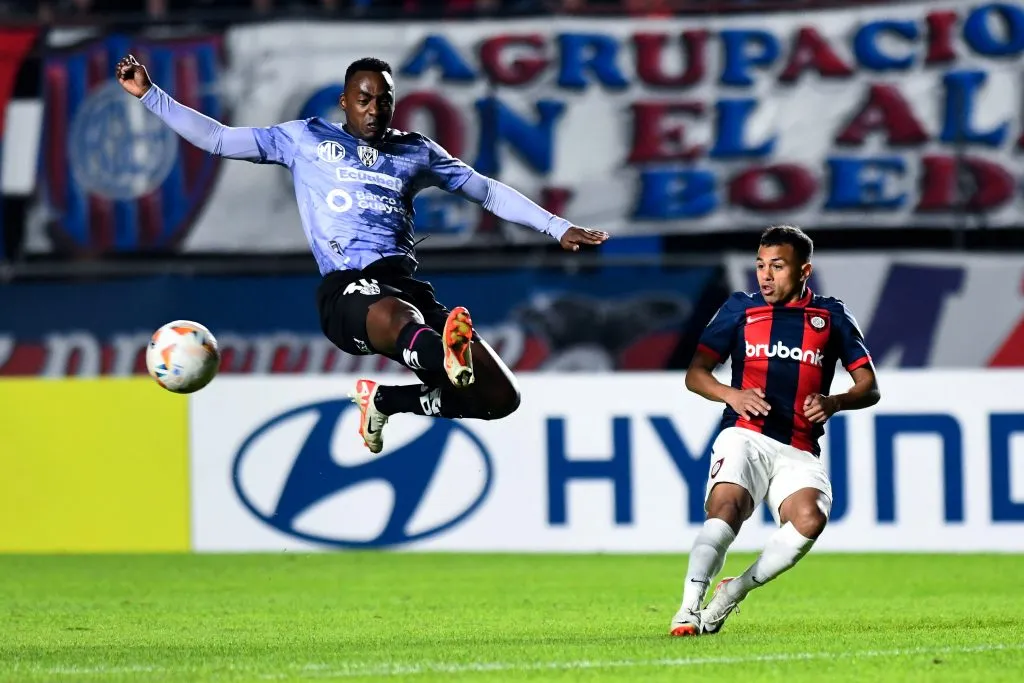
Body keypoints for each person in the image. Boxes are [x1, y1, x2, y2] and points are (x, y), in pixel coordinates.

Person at [116, 55, 609, 452]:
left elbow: (486, 191)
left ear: (394, 104)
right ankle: (445, 356)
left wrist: (557, 226)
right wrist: (151, 95)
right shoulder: (305, 138)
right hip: (348, 289)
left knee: (500, 397)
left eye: (384, 100)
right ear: (345, 102)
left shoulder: (416, 151)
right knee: (398, 316)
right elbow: (220, 139)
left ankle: (388, 400)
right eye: (364, 98)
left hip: (405, 282)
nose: (373, 108)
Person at [669, 224, 880, 636]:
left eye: (777, 266)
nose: (765, 275)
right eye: (760, 265)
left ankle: (732, 593)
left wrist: (835, 401)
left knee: (810, 519)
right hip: (745, 434)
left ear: (804, 270)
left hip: (799, 448)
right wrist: (731, 394)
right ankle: (689, 608)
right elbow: (696, 373)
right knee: (726, 508)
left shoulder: (830, 316)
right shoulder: (739, 309)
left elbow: (869, 387)